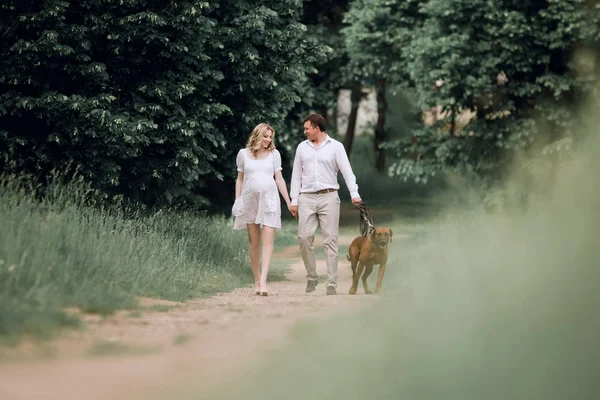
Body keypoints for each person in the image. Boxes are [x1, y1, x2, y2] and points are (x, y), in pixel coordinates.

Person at [289, 114, 362, 295]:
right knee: (304, 237)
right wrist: (294, 200)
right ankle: (312, 277)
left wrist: (355, 194)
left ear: (317, 128)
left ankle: (331, 283)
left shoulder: (336, 147)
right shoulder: (302, 148)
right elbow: (296, 175)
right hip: (306, 197)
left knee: (330, 239)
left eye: (307, 128)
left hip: (329, 196)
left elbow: (347, 172)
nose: (305, 131)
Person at [232, 123, 293, 297]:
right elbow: (240, 179)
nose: (268, 140)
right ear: (257, 135)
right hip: (250, 200)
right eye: (265, 136)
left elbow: (279, 179)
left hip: (270, 200)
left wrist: (288, 201)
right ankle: (257, 279)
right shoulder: (243, 154)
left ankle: (264, 282)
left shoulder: (274, 154)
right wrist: (238, 200)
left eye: (270, 137)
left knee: (268, 240)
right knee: (254, 241)